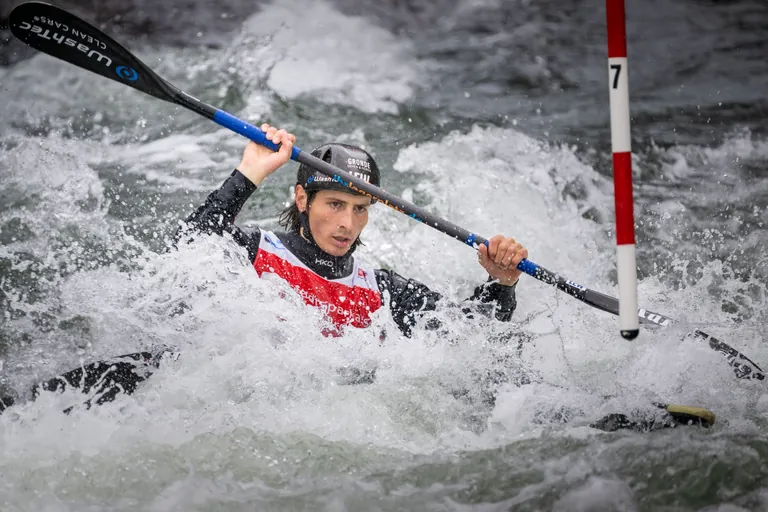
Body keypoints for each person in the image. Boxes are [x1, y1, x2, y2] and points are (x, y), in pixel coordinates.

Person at [174, 124, 529, 338]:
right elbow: (187, 249)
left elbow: (470, 336)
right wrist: (250, 172)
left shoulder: (385, 293)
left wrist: (501, 283)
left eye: (360, 209)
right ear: (303, 200)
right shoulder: (254, 251)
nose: (348, 223)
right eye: (334, 204)